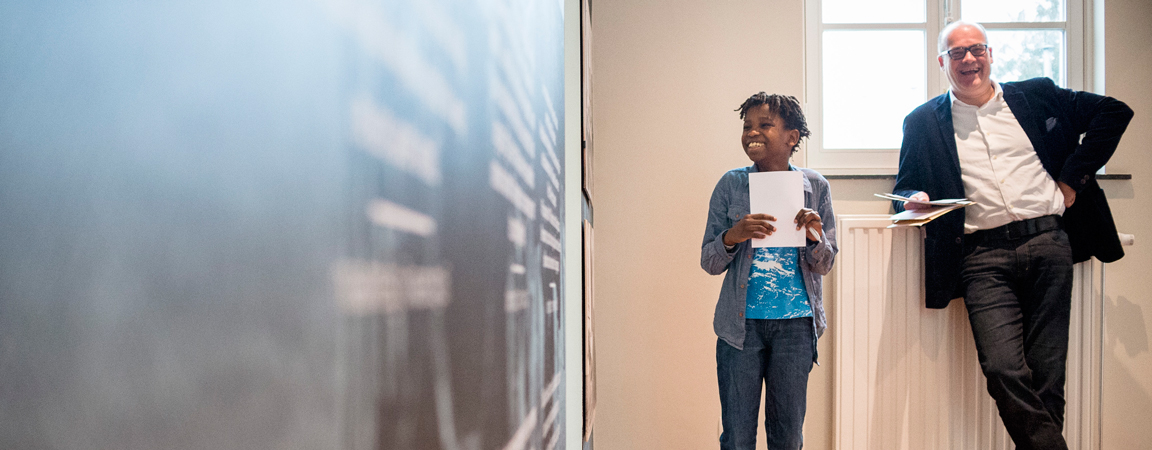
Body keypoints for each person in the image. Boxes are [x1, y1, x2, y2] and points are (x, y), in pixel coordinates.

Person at [893, 20, 1133, 450]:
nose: (969, 59)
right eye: (957, 53)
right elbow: (901, 190)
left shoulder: (1035, 95)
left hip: (1048, 243)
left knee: (1047, 374)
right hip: (980, 257)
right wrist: (914, 197)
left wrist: (1072, 180)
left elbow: (1114, 112)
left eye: (977, 49)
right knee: (1003, 369)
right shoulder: (923, 122)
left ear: (990, 54)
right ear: (942, 62)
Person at [700, 93, 837, 450]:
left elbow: (825, 263)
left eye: (764, 125)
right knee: (737, 437)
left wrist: (814, 238)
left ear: (792, 137)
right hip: (739, 328)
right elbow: (709, 261)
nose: (751, 133)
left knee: (788, 437)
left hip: (796, 327)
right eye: (747, 126)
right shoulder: (731, 184)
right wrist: (733, 236)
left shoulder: (816, 186)